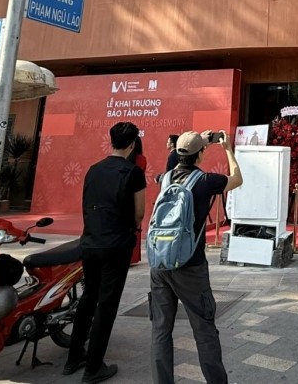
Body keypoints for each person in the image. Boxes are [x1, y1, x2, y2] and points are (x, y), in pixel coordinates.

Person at [150, 130, 243, 384]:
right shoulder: (205, 181)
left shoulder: (164, 179)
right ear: (200, 153)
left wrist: (193, 144)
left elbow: (174, 163)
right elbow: (237, 179)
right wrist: (227, 148)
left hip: (160, 261)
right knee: (204, 328)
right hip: (190, 265)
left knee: (160, 329)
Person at [68, 122, 147, 382]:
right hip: (116, 245)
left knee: (88, 298)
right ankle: (93, 368)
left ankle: (73, 357)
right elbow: (139, 213)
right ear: (132, 144)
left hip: (90, 243)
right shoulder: (133, 173)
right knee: (106, 305)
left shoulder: (94, 169)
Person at [130, 136, 148, 266]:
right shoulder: (142, 159)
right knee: (135, 227)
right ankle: (133, 257)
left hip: (125, 194)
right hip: (137, 194)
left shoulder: (125, 159)